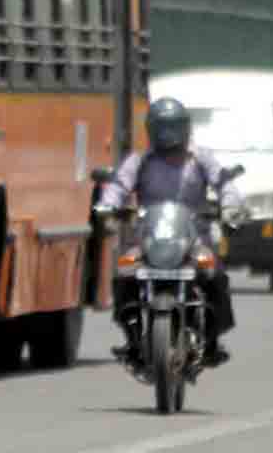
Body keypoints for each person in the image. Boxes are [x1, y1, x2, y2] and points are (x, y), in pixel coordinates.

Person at [99, 96, 244, 367]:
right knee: (124, 271)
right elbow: (119, 185)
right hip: (148, 237)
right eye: (162, 127)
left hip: (194, 238)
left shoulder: (201, 159)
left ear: (185, 128)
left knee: (214, 275)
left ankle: (211, 340)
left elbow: (225, 184)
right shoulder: (140, 161)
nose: (168, 134)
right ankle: (132, 338)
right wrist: (108, 206)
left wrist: (231, 207)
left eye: (173, 127)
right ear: (151, 130)